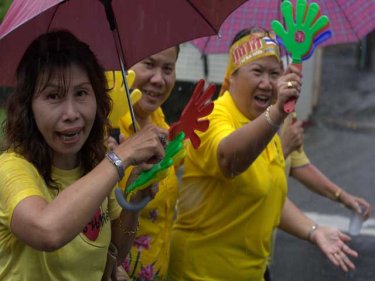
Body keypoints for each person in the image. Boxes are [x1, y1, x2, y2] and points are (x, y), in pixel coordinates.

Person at [168, 27, 358, 281]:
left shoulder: (265, 123)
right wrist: (277, 113)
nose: (267, 83)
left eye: (274, 73)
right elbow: (228, 160)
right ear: (232, 75)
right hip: (201, 273)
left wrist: (314, 231)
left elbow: (267, 198)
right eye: (257, 71)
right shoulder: (213, 115)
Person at [0, 30, 167, 280]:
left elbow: (115, 255)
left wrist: (135, 195)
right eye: (53, 96)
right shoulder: (10, 169)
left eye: (81, 93)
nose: (71, 113)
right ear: (28, 107)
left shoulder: (96, 165)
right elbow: (47, 231)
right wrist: (122, 157)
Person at [107, 45, 180, 280]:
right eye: (148, 64)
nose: (158, 79)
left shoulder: (162, 125)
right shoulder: (105, 131)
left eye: (168, 68)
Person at [281, 113, 372, 217]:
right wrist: (312, 230)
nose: (296, 97)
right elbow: (261, 190)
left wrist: (342, 196)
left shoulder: (287, 111)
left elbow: (297, 164)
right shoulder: (261, 116)